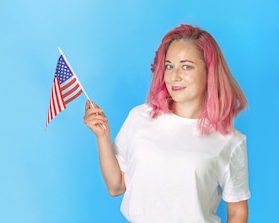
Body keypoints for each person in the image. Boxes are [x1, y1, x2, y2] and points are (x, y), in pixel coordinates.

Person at [83, 24, 250, 223]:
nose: (174, 76)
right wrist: (103, 136)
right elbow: (116, 187)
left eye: (186, 66)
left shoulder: (230, 141)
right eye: (169, 66)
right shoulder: (139, 117)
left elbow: (238, 211)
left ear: (209, 72)